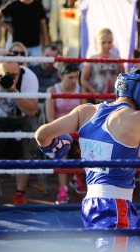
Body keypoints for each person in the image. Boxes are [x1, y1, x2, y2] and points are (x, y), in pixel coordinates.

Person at [36, 68, 140, 252]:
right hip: (116, 207)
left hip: (90, 204)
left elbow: (41, 136)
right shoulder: (139, 119)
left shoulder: (85, 111)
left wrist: (59, 146)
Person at [0, 59, 39, 204]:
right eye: (7, 75)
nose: (12, 78)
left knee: (25, 153)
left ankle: (20, 193)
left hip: (23, 118)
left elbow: (31, 111)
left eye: (15, 74)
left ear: (19, 71)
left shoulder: (29, 77)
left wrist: (14, 91)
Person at [45, 63, 86, 204]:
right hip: (59, 128)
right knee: (61, 150)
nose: (74, 80)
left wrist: (76, 129)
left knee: (89, 147)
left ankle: (77, 177)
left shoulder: (82, 89)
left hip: (77, 129)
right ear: (61, 76)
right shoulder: (52, 90)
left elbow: (85, 114)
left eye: (76, 77)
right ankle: (63, 188)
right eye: (70, 77)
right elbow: (50, 117)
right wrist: (63, 129)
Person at [81, 28, 124, 103]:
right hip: (96, 99)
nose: (106, 45)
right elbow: (84, 80)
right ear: (96, 41)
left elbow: (122, 78)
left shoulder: (117, 58)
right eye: (103, 42)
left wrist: (117, 93)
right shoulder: (91, 58)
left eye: (109, 42)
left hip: (114, 98)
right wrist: (96, 94)